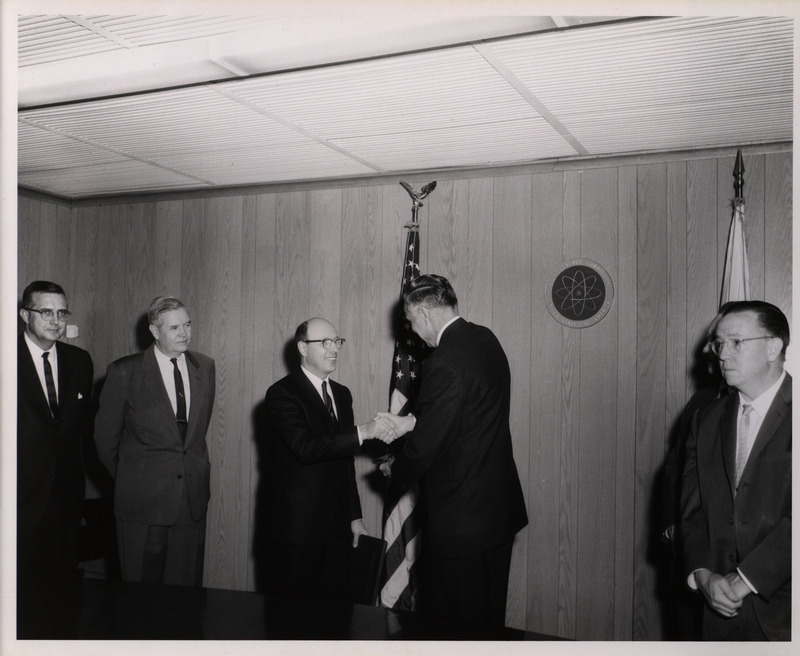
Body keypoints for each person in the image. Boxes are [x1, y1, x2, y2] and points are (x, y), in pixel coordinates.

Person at [378, 274, 528, 626]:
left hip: (462, 522)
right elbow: (469, 410)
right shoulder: (484, 339)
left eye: (412, 322)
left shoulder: (442, 362)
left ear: (424, 313)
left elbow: (423, 453)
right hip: (497, 512)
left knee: (454, 627)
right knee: (488, 620)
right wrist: (412, 421)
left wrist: (393, 469)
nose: (414, 331)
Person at [261, 317, 394, 601]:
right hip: (296, 531)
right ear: (303, 348)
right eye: (324, 342)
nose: (334, 349)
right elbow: (306, 448)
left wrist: (355, 516)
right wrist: (364, 431)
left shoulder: (342, 394)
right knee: (291, 615)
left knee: (336, 613)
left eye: (336, 341)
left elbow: (344, 461)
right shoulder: (281, 394)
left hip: (337, 528)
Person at [680, 300, 791, 640]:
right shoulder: (706, 419)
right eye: (719, 343)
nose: (722, 354)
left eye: (736, 342)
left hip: (786, 613)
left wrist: (746, 579)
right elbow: (692, 510)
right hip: (717, 613)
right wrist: (702, 575)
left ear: (773, 347)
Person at [95, 296, 216, 586]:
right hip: (142, 503)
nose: (184, 333)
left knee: (185, 597)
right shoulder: (125, 371)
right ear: (154, 331)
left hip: (190, 502)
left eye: (187, 325)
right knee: (141, 596)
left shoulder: (205, 367)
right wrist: (133, 479)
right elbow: (104, 440)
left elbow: (195, 436)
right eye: (174, 328)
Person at [17, 280, 94, 637]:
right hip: (18, 501)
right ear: (25, 315)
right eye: (45, 312)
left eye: (62, 313)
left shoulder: (79, 361)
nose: (55, 320)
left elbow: (78, 432)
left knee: (61, 601)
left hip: (64, 501)